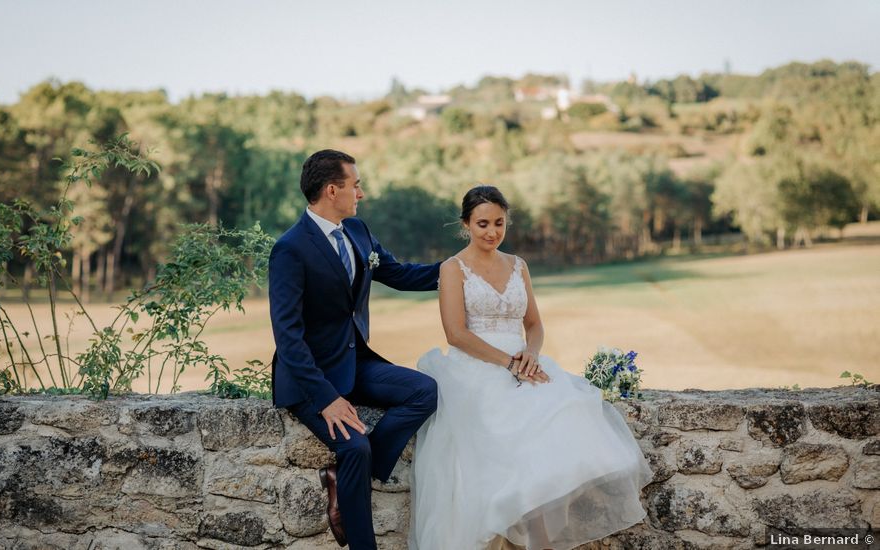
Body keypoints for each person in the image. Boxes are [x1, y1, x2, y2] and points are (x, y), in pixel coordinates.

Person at [410, 185, 653, 550]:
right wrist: (509, 363)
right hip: (475, 370)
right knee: (502, 454)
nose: (492, 232)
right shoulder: (452, 268)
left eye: (499, 223)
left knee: (560, 429)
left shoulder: (517, 265)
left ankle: (537, 542)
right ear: (465, 225)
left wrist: (531, 355)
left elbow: (535, 324)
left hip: (525, 366)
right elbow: (456, 334)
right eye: (482, 224)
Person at [268, 149, 441, 550]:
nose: (360, 193)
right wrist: (326, 399)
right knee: (356, 445)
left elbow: (398, 273)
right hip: (309, 378)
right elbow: (288, 337)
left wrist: (459, 269)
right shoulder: (291, 249)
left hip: (354, 360)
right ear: (332, 190)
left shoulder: (359, 232)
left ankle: (343, 482)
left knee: (425, 391)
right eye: (355, 184)